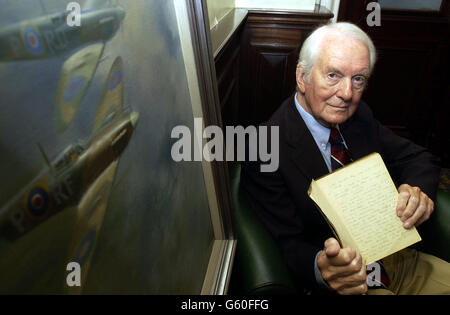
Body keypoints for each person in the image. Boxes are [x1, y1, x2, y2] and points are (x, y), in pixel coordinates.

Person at [241, 22, 450, 295]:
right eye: (333, 75)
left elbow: (419, 158)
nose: (347, 94)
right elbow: (286, 245)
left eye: (358, 79)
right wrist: (323, 267)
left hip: (396, 260)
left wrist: (416, 191)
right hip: (347, 282)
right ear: (302, 77)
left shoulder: (359, 116)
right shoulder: (264, 148)